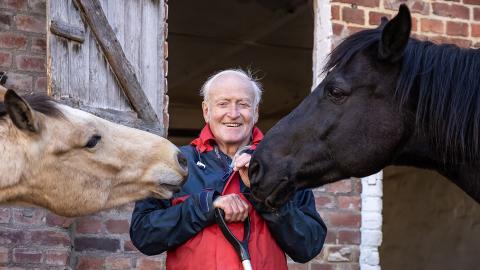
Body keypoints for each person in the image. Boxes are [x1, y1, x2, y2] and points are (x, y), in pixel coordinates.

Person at [130, 69, 327, 270]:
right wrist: (205, 207)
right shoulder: (174, 163)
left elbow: (309, 246)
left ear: (256, 112)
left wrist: (265, 192)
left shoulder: (284, 165)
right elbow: (144, 236)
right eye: (223, 104)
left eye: (243, 104)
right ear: (206, 111)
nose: (233, 114)